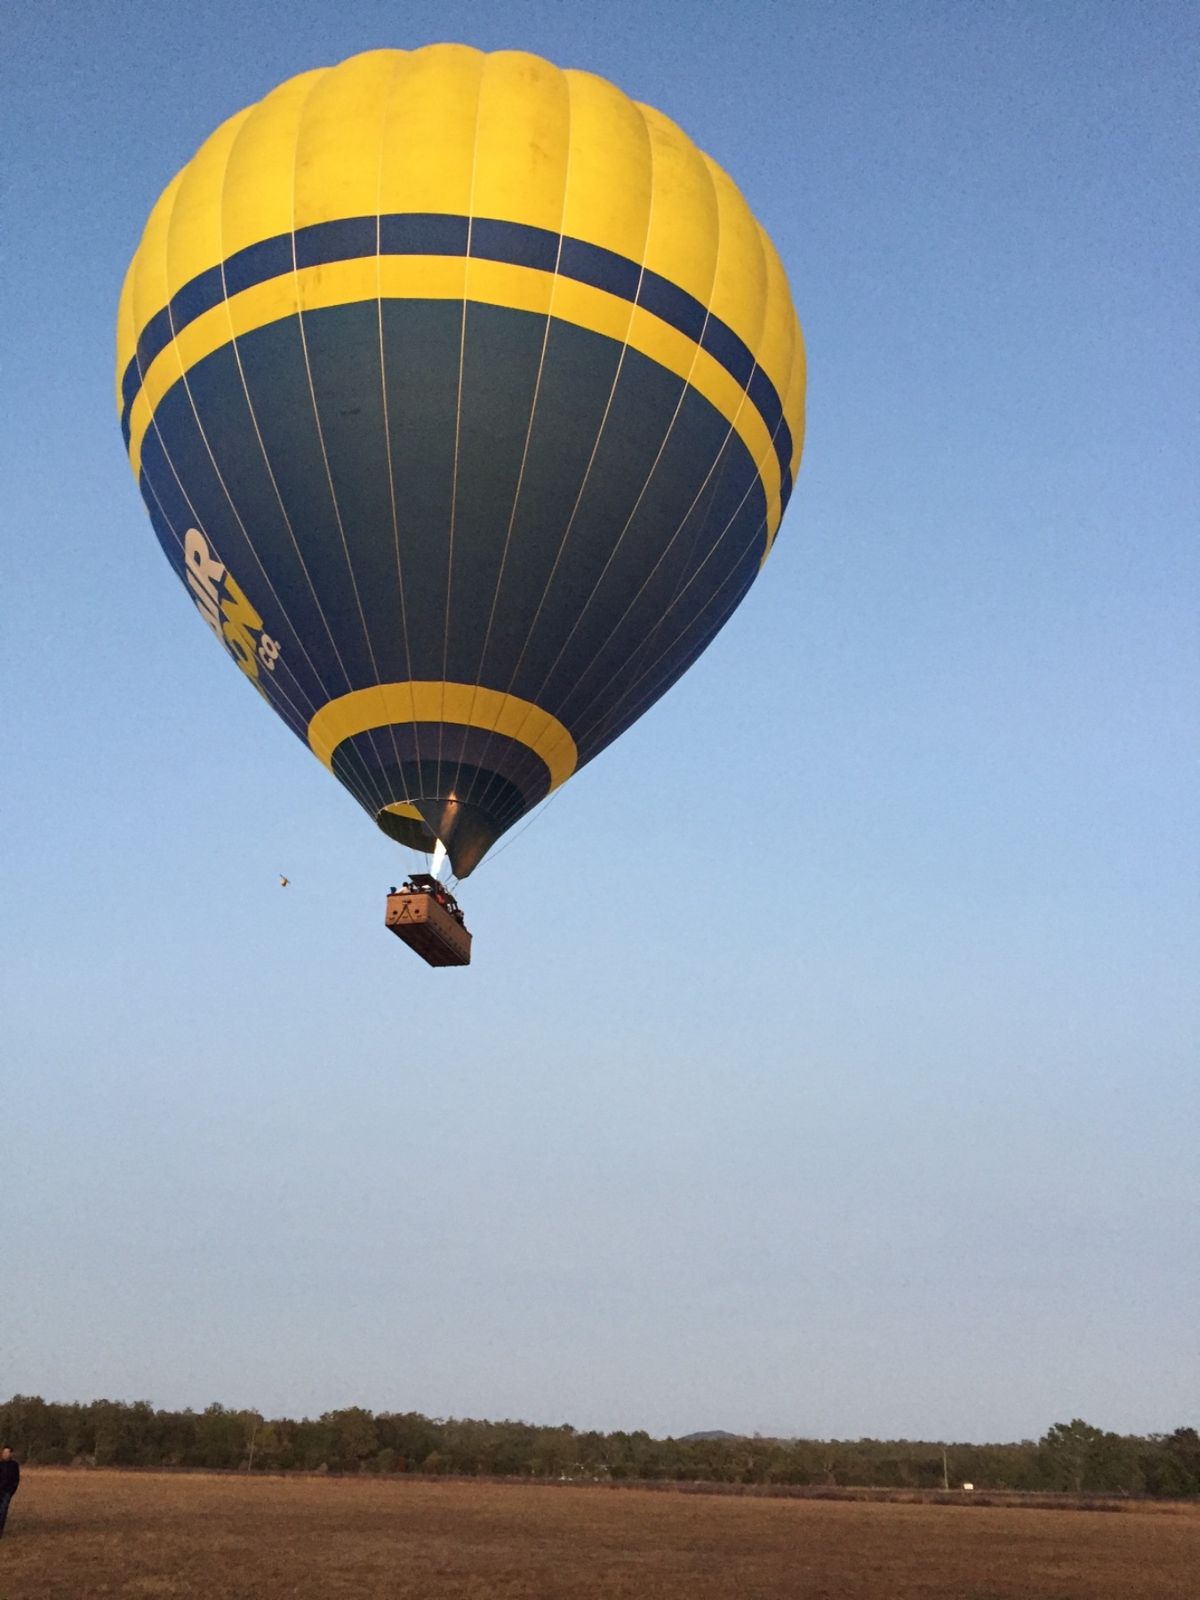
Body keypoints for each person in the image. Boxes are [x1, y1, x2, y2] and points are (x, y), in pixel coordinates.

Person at [0, 1445, 19, 1537]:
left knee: (3, 1511)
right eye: (4, 1452)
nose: (5, 1454)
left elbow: (16, 1479)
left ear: (11, 1454)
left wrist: (11, 1490)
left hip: (7, 1492)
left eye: (7, 1452)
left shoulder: (14, 1465)